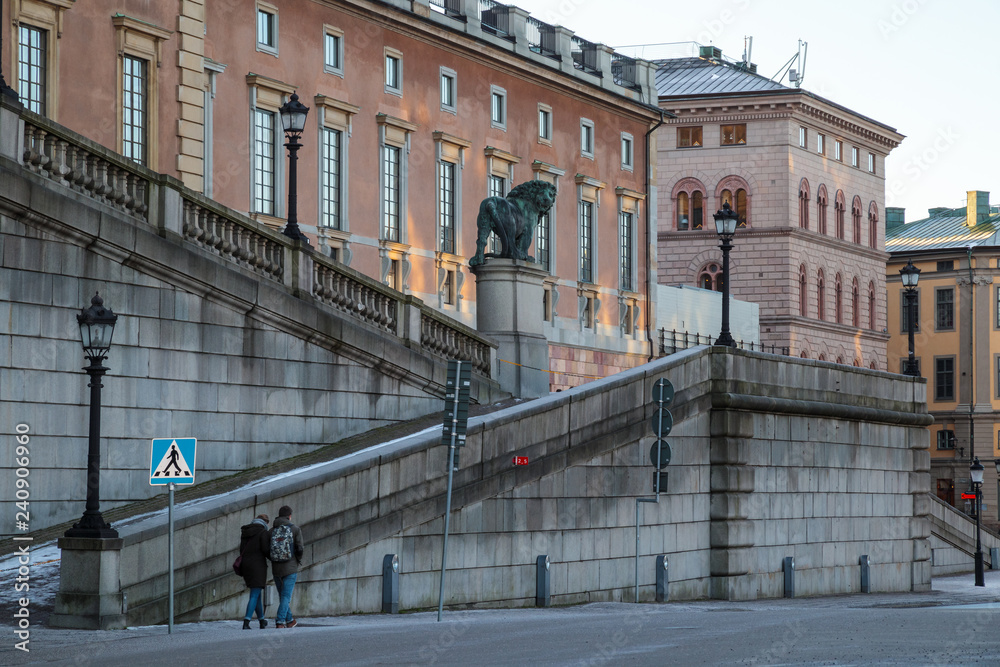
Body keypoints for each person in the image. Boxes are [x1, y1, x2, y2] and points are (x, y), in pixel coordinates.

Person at [271, 505, 305, 628]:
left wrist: (274, 559)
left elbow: (266, 549)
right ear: (289, 516)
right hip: (290, 568)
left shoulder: (272, 530)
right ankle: (280, 621)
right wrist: (297, 560)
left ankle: (289, 620)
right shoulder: (295, 529)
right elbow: (300, 548)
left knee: (282, 596)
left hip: (276, 568)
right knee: (286, 596)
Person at [239, 513, 271, 629]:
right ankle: (246, 621)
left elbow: (241, 549)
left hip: (246, 565)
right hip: (258, 566)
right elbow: (265, 550)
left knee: (256, 593)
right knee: (254, 594)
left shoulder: (245, 532)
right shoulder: (263, 532)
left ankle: (262, 620)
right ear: (265, 522)